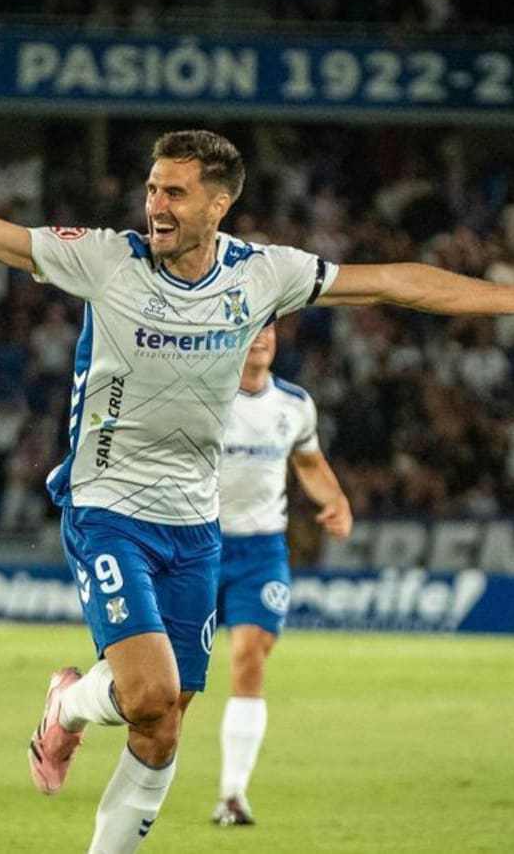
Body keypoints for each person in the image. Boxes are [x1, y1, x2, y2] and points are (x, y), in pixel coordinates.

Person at [0, 127, 514, 853]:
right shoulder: (106, 259)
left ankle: (72, 712)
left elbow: (393, 280)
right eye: (151, 188)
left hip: (196, 527)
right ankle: (69, 708)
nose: (155, 205)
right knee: (148, 693)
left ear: (219, 204)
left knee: (163, 724)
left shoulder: (264, 275)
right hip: (107, 509)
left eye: (174, 192)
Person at [211, 322, 352, 827]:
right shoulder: (205, 396)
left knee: (249, 658)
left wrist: (336, 500)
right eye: (251, 329)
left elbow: (309, 463)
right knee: (172, 684)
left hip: (262, 552)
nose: (261, 338)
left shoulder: (295, 405)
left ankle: (233, 794)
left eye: (268, 329)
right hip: (198, 548)